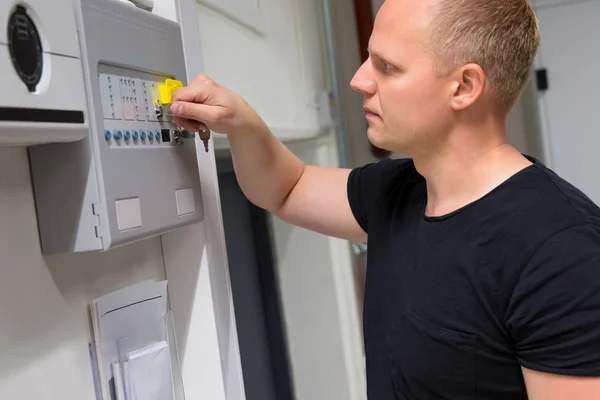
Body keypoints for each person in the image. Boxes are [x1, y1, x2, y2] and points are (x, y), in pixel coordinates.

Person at [170, 0, 600, 398]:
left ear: (464, 86)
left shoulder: (563, 251)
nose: (359, 80)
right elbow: (286, 188)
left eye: (387, 67)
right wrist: (242, 121)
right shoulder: (398, 190)